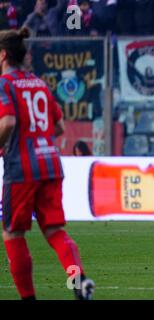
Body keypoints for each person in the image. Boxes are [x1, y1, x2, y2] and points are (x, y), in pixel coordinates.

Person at [0, 27, 94, 300]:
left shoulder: (5, 84)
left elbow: (7, 122)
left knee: (12, 233)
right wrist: (36, 139)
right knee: (54, 231)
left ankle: (28, 298)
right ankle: (79, 280)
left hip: (22, 168)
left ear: (4, 55)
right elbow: (60, 125)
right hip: (51, 164)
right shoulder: (38, 83)